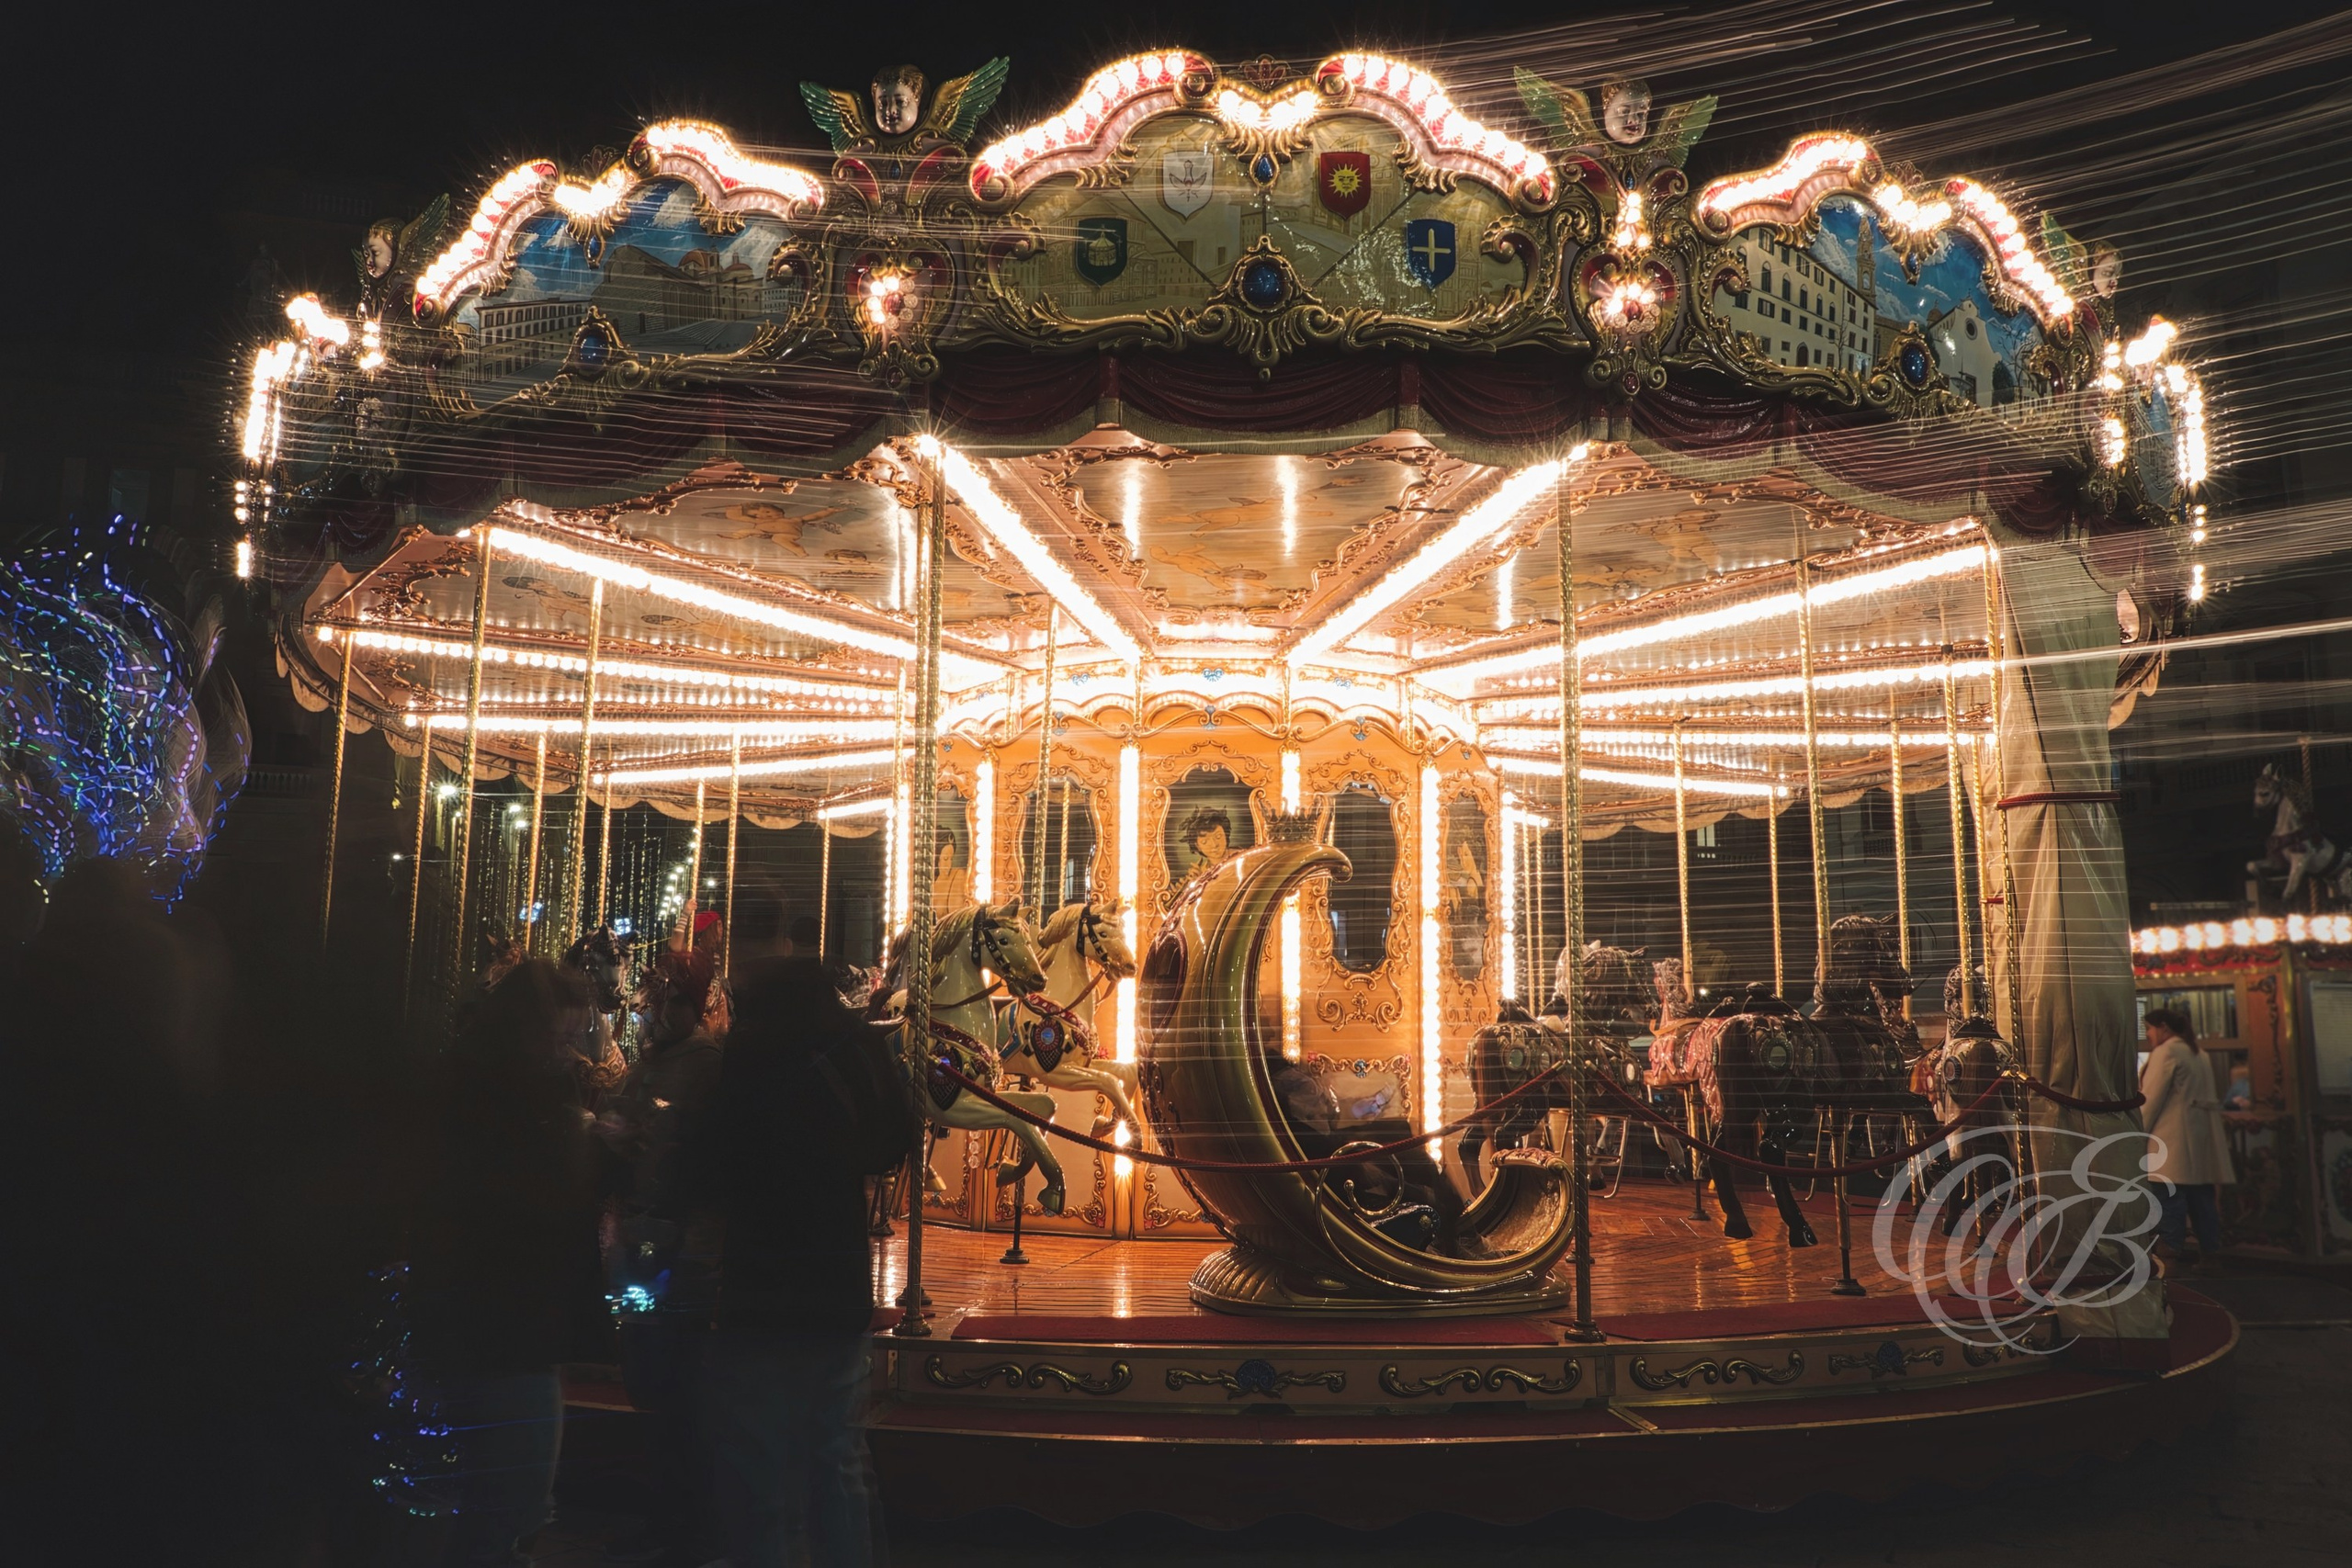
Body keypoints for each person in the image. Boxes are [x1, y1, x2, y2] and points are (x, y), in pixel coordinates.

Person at [705, 904, 899, 1568]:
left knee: (758, 1454)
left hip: (758, 1272)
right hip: (835, 1268)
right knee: (834, 1452)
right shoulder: (855, 1040)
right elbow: (891, 1141)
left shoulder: (748, 1044)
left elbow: (720, 1155)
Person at [406, 959, 605, 1566]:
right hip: (499, 1320)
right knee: (508, 1499)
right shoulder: (496, 1102)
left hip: (504, 1320)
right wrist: (582, 1148)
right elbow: (517, 1203)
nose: (569, 1053)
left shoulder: (508, 1088)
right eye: (561, 1038)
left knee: (502, 1498)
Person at [599, 949, 725, 1567]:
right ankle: (666, 1512)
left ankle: (688, 1520)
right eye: (651, 1001)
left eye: (667, 1001)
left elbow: (705, 1155)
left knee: (682, 1388)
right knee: (651, 1383)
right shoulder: (649, 1065)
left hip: (683, 1243)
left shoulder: (707, 1066)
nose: (653, 1013)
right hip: (640, 1236)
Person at [2139, 1007, 2232, 1270]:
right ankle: (2211, 1254)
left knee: (2168, 1197)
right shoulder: (2197, 1052)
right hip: (2199, 1140)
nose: (2148, 1035)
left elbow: (2151, 1099)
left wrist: (2137, 1132)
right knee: (2201, 1198)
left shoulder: (2166, 1052)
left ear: (2164, 1028)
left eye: (2149, 1029)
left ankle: (2168, 1258)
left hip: (2172, 1140)